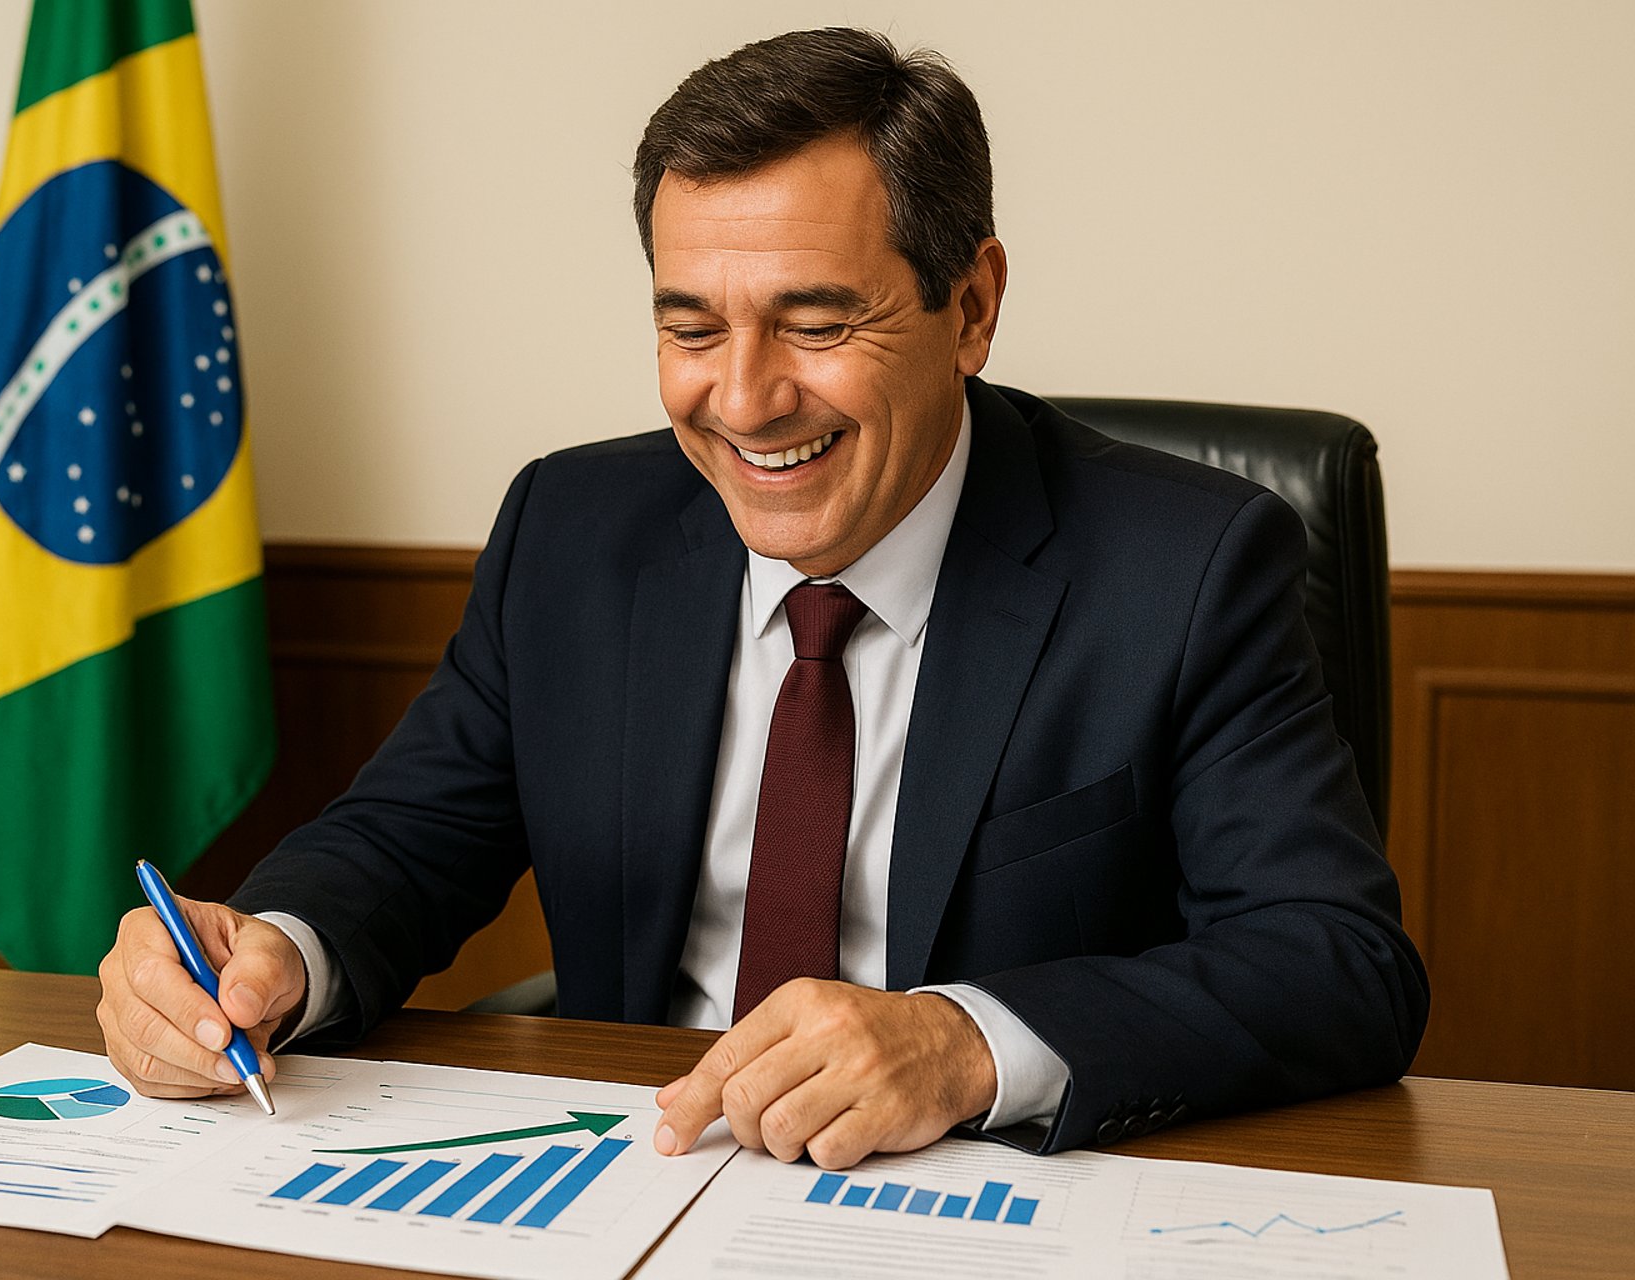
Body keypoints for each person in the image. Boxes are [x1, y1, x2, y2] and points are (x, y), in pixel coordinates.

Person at [96, 28, 1427, 1168]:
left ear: (971, 308)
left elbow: (1335, 962)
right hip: (642, 1180)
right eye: (691, 328)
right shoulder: (574, 528)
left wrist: (967, 1044)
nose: (742, 400)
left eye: (817, 322)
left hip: (984, 1204)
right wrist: (270, 950)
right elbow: (405, 840)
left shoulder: (1185, 565)